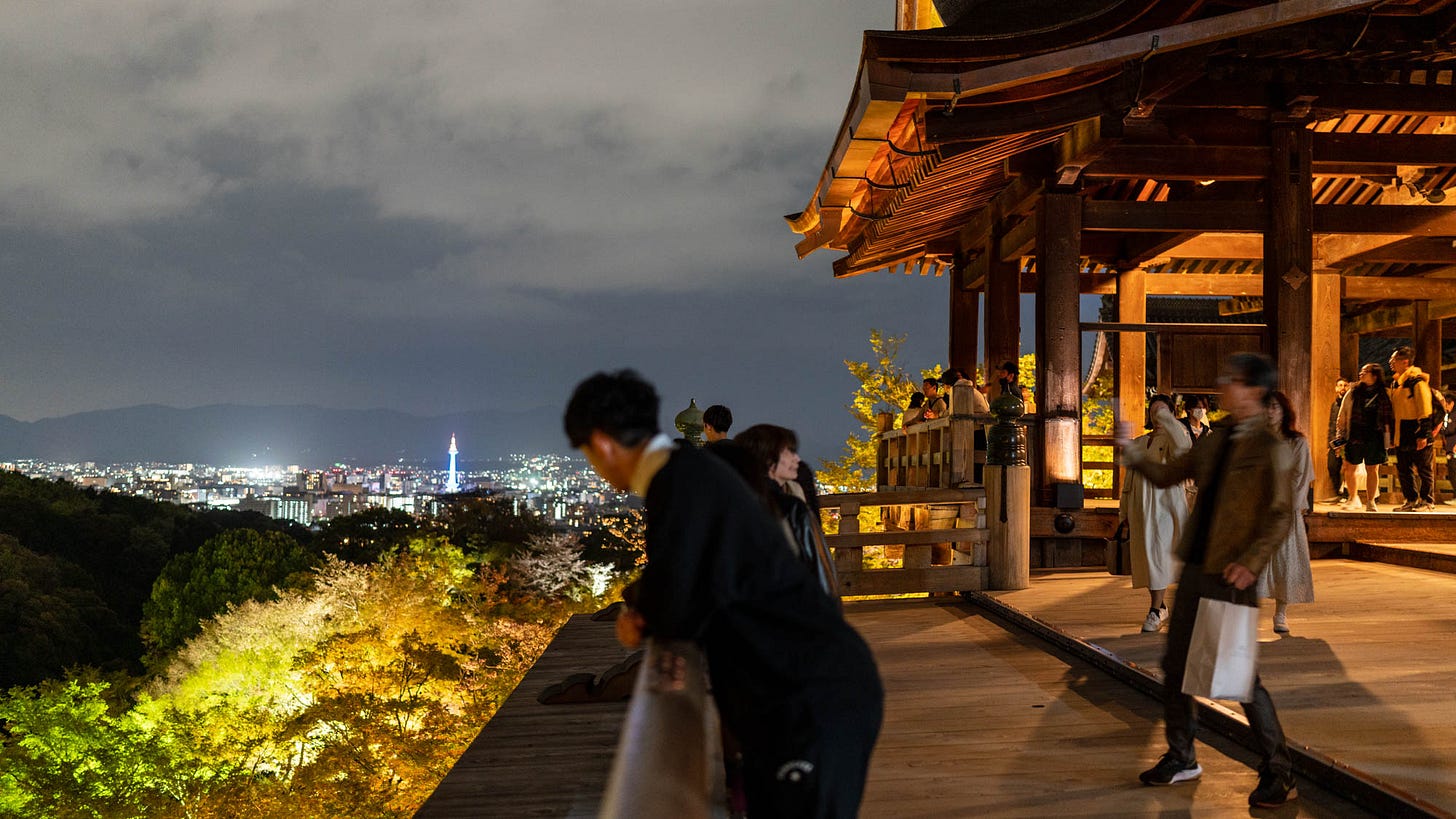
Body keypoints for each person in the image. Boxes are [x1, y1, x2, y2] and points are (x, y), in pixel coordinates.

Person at [564, 371, 882, 817]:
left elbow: (676, 601)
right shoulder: (690, 472)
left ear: (602, 444)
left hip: (809, 696)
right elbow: (687, 575)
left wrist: (643, 611)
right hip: (805, 685)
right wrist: (646, 601)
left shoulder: (680, 482)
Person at [1118, 352, 1298, 809]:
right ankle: (1182, 757)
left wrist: (1253, 562)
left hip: (1233, 574)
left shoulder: (1270, 447)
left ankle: (1279, 771)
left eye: (1232, 381)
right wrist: (1132, 449)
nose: (1223, 386)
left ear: (1255, 390)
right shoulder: (1216, 438)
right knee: (1177, 666)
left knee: (1238, 678)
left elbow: (1279, 515)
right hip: (1197, 567)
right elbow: (1167, 475)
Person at [734, 423, 837, 596]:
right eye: (788, 452)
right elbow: (818, 571)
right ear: (768, 459)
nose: (796, 459)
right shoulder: (792, 508)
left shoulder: (735, 503)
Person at [1118, 394, 1192, 632]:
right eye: (1154, 410)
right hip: (1140, 506)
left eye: (1163, 410)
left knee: (1159, 554)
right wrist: (1124, 512)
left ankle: (1155, 609)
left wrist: (1171, 423)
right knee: (1147, 558)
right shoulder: (1140, 441)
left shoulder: (1173, 439)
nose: (1157, 415)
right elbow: (1129, 480)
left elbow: (1183, 448)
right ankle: (1160, 607)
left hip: (1164, 506)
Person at [1257, 391, 1315, 635]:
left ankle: (1281, 612)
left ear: (1284, 411)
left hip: (1285, 510)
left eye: (1274, 407)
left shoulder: (1297, 442)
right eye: (1266, 407)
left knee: (1285, 561)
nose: (1270, 412)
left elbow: (1302, 477)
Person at [1336, 363, 1394, 512]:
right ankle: (1353, 497)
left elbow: (1389, 419)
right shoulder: (1354, 391)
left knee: (1372, 468)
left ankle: (1370, 501)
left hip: (1376, 435)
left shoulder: (1384, 394)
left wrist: (1389, 440)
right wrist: (1340, 435)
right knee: (1350, 466)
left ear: (1375, 376)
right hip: (1355, 433)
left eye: (1365, 371)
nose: (1361, 374)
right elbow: (1343, 414)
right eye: (1361, 371)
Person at [1387, 346, 1436, 511]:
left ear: (1405, 362)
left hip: (1416, 432)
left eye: (1394, 360)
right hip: (1402, 433)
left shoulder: (1417, 382)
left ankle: (1427, 501)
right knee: (1404, 469)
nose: (1391, 363)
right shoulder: (1396, 383)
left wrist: (1424, 434)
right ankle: (1411, 499)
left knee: (1424, 469)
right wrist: (1393, 436)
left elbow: (1425, 409)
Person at [1322, 378, 1350, 503]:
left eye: (1345, 385)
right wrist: (1330, 443)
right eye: (1340, 385)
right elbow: (1332, 424)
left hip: (1347, 440)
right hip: (1335, 441)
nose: (1342, 387)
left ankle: (1346, 494)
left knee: (1347, 468)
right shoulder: (1335, 404)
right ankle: (1337, 493)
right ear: (1336, 388)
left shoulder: (1350, 402)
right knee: (1332, 466)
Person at [1439, 392, 1456, 505]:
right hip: (1449, 447)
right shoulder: (1447, 414)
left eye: (1446, 404)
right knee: (1451, 472)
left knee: (1455, 471)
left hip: (1455, 447)